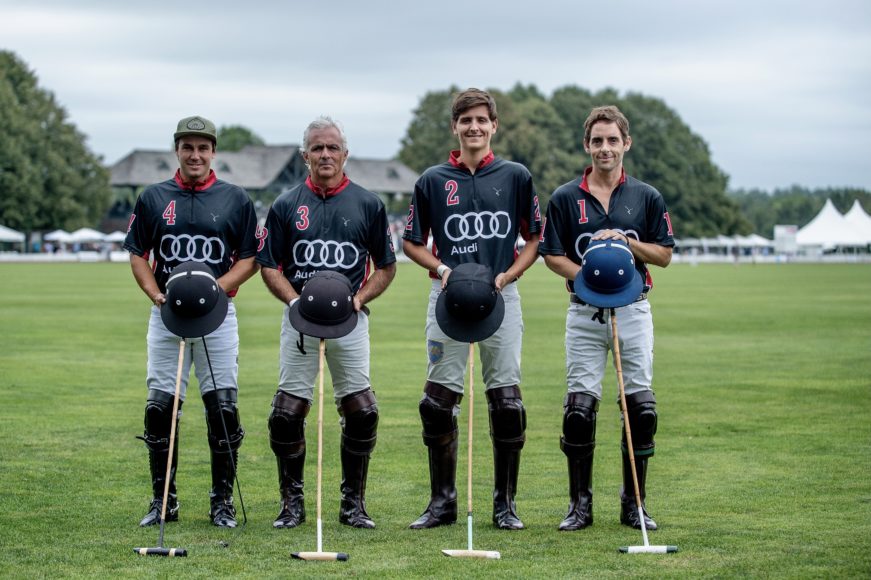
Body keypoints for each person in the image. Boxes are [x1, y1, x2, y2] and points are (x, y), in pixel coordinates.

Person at [402, 88, 541, 530]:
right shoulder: (431, 180)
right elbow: (410, 241)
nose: (474, 127)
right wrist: (442, 270)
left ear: (494, 125)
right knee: (437, 403)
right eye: (466, 120)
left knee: (506, 403)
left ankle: (505, 505)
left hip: (500, 297)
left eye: (482, 120)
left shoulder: (516, 176)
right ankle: (442, 503)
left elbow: (535, 238)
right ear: (455, 127)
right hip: (447, 299)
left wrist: (508, 276)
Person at [538, 105, 674, 531]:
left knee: (641, 409)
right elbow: (552, 254)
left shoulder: (646, 196)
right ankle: (580, 505)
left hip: (633, 312)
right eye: (597, 140)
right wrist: (589, 278)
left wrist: (626, 244)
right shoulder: (564, 197)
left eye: (613, 140)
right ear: (586, 145)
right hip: (583, 314)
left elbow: (665, 254)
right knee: (579, 409)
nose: (605, 148)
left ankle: (634, 503)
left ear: (626, 144)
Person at [257, 116, 396, 530]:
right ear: (304, 156)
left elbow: (386, 268)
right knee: (286, 413)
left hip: (350, 323)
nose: (325, 155)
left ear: (345, 154)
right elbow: (268, 266)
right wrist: (295, 302)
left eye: (332, 148)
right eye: (317, 148)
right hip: (299, 323)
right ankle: (292, 503)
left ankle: (353, 504)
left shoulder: (369, 204)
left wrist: (359, 298)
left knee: (362, 411)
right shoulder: (285, 205)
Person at [124, 115, 260, 528]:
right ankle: (163, 500)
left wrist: (215, 289)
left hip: (218, 317)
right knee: (159, 407)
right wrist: (156, 294)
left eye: (203, 147)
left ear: (213, 151)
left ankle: (222, 502)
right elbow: (137, 253)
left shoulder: (235, 198)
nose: (195, 154)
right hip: (166, 317)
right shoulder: (153, 197)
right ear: (177, 150)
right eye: (188, 147)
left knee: (223, 407)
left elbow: (250, 258)